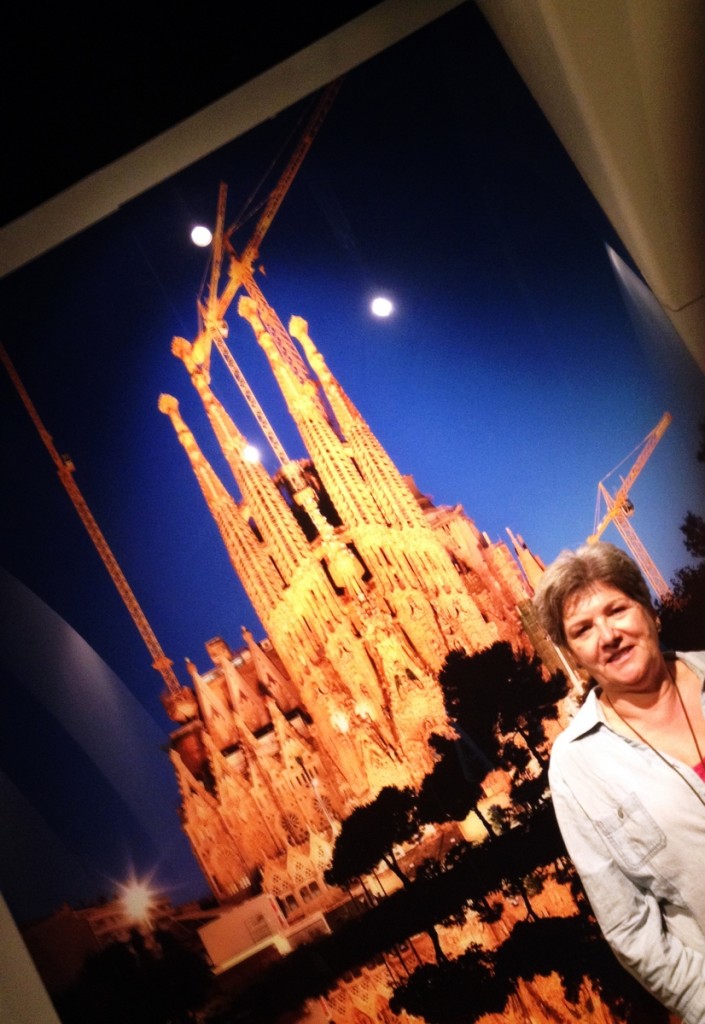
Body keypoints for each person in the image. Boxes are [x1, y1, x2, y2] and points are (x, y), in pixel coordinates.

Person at [532, 541, 705, 1024]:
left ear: (648, 610)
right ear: (572, 654)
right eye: (582, 630)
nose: (607, 636)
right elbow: (630, 925)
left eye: (616, 609)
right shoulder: (577, 764)